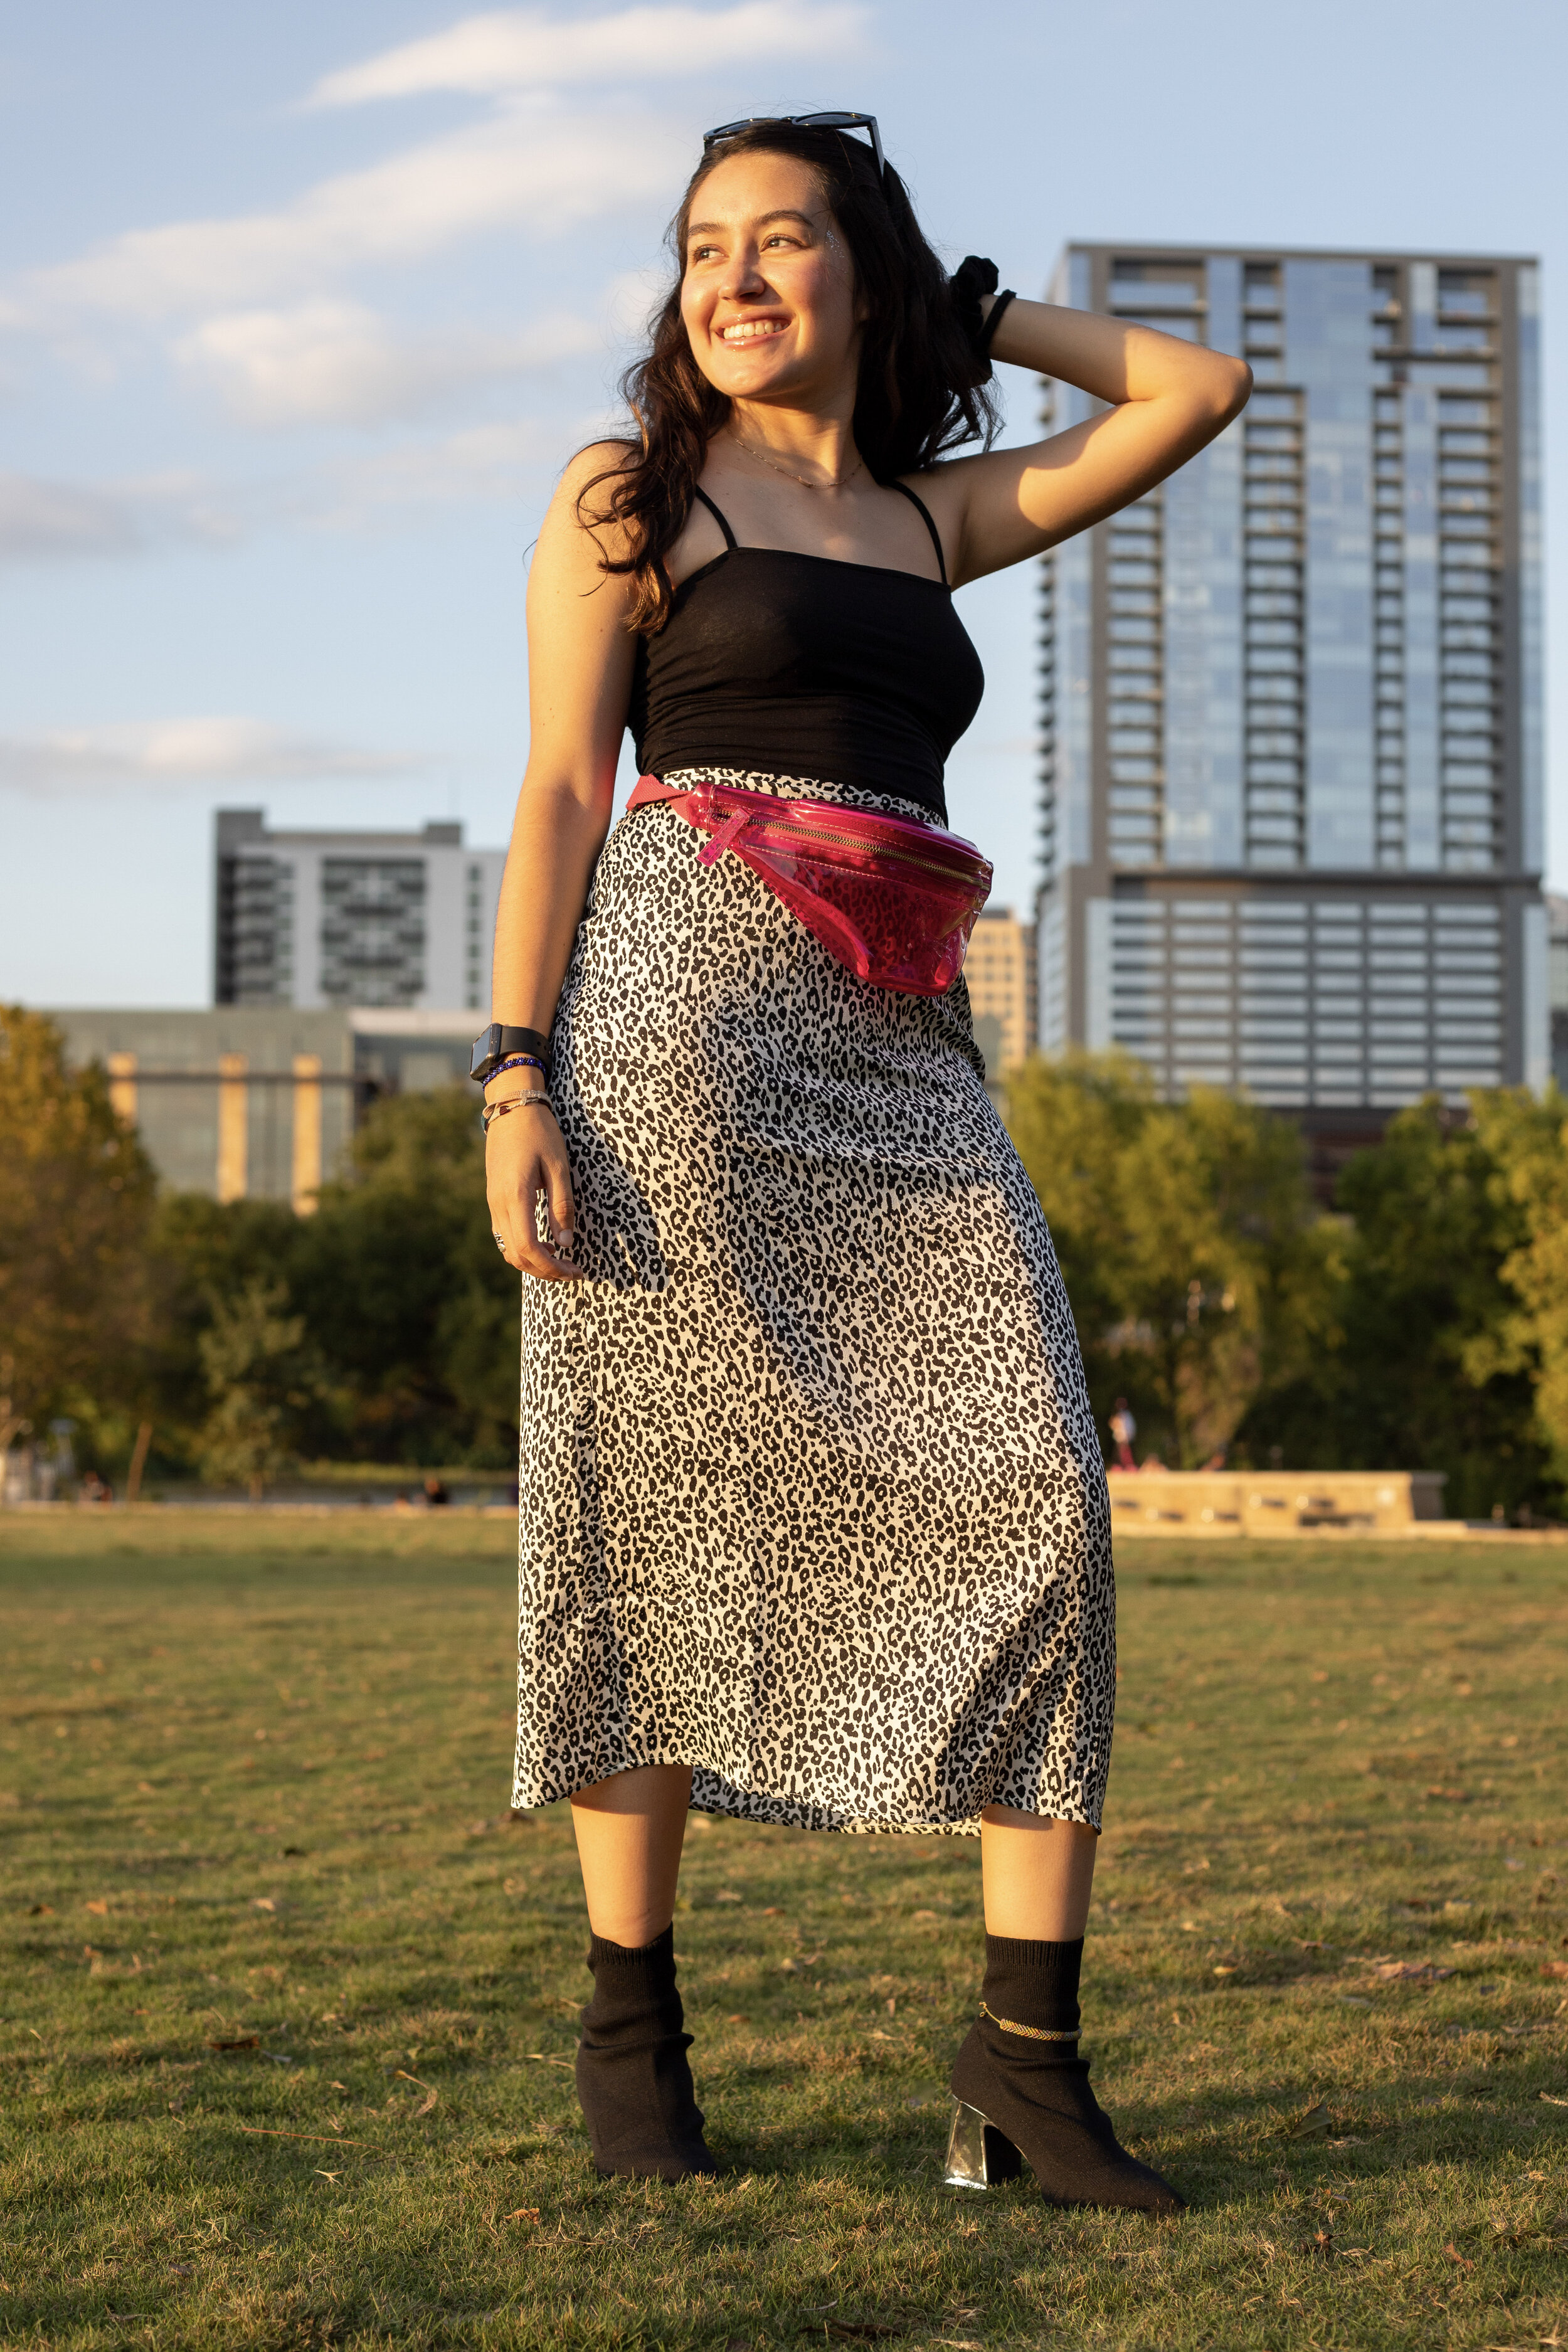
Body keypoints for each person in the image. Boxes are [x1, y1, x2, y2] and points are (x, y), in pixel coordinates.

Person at [482, 114, 1249, 2206]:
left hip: (905, 1053)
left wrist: (975, 308)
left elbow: (1199, 390)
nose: (733, 280)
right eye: (702, 247)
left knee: (1046, 1502)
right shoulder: (629, 496)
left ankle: (1026, 2066)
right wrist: (512, 1070)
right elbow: (561, 787)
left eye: (785, 242)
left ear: (861, 272)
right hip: (670, 1043)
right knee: (646, 1520)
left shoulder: (928, 518)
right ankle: (633, 2036)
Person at [1109, 1399, 1137, 1473]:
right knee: (1121, 1453)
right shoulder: (1124, 1415)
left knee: (1124, 1453)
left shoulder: (1124, 1415)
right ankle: (1124, 1466)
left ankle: (1127, 1466)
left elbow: (1116, 1425)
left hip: (1123, 1437)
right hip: (1121, 1437)